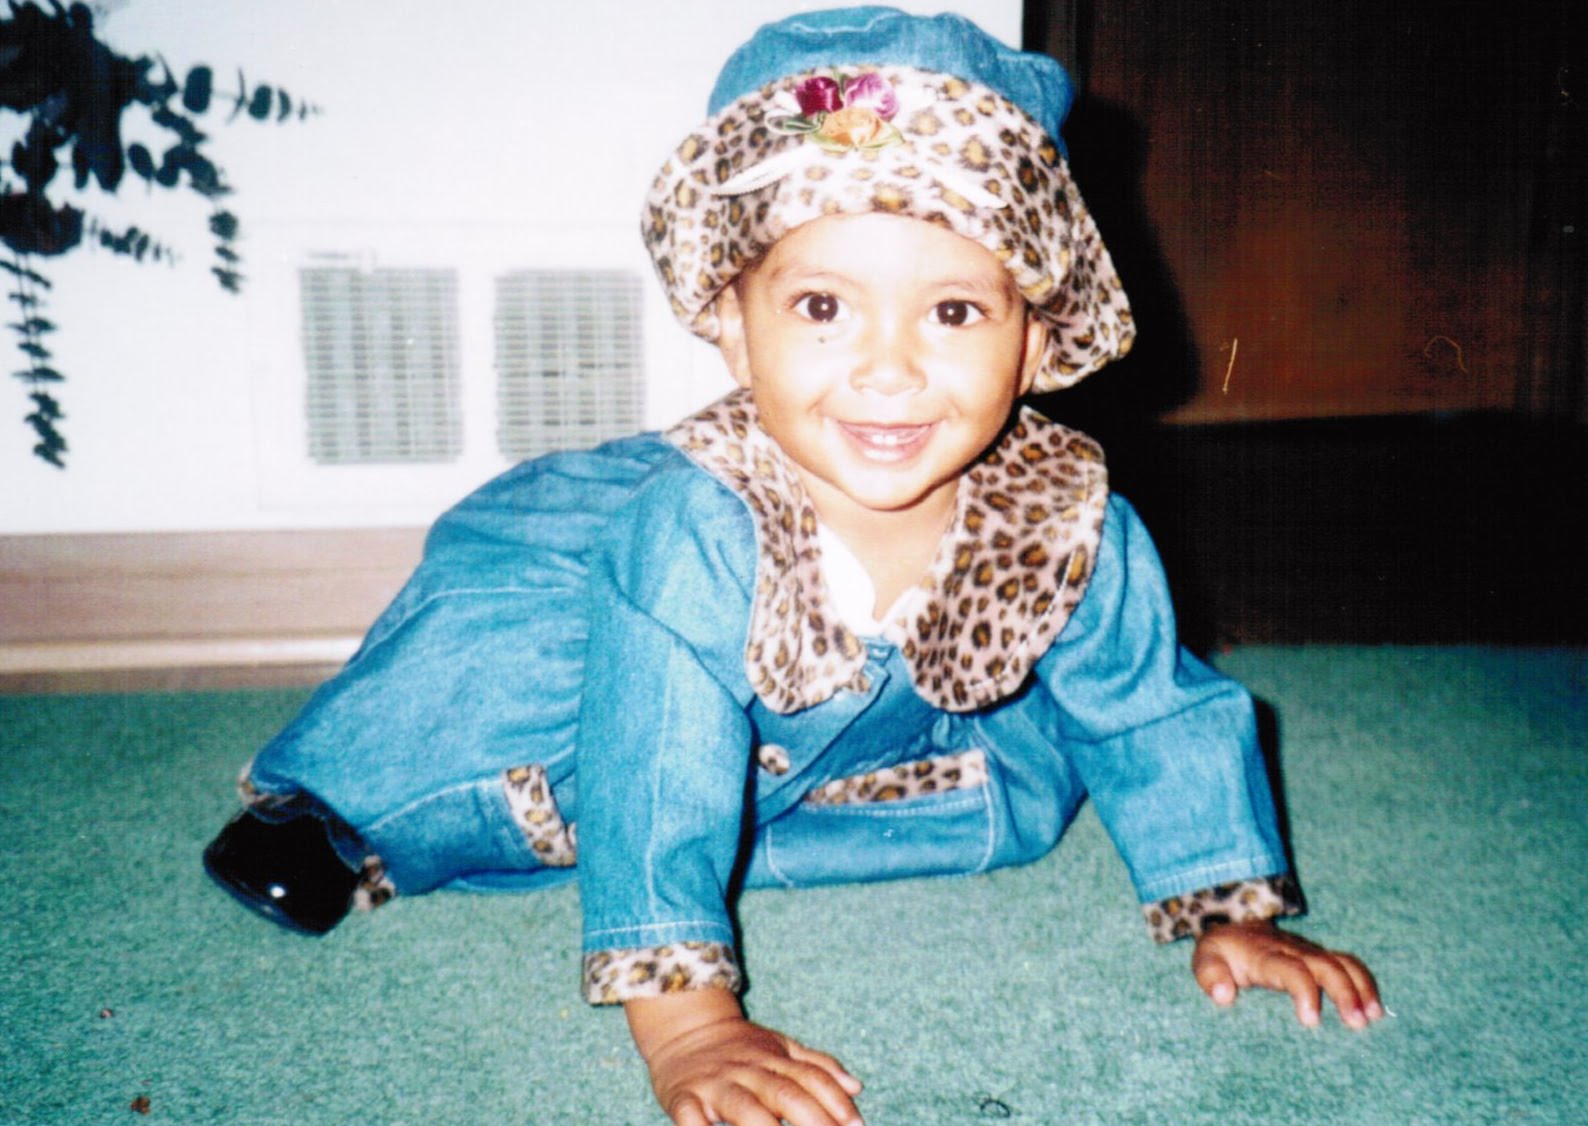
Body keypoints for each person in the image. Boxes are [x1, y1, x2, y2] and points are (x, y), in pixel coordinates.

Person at [202, 8, 1384, 1124]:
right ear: (732, 323)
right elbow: (657, 757)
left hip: (863, 738)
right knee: (513, 711)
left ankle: (754, 823)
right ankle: (333, 812)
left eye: (953, 314)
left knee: (1016, 797)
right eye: (823, 305)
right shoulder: (692, 526)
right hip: (609, 662)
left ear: (1035, 340)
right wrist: (689, 1025)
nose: (887, 370)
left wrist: (1227, 904)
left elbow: (1149, 707)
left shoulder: (1065, 518)